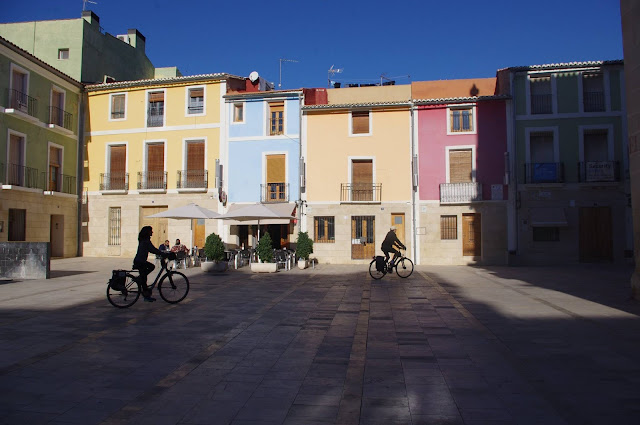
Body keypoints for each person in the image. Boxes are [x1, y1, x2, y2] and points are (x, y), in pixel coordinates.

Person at [133, 226, 168, 302]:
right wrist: (161, 253)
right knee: (144, 278)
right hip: (140, 261)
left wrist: (160, 253)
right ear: (147, 232)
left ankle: (140, 278)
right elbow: (152, 249)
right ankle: (146, 296)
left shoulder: (144, 240)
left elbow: (152, 249)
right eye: (151, 231)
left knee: (150, 269)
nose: (152, 232)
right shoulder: (145, 241)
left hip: (140, 260)